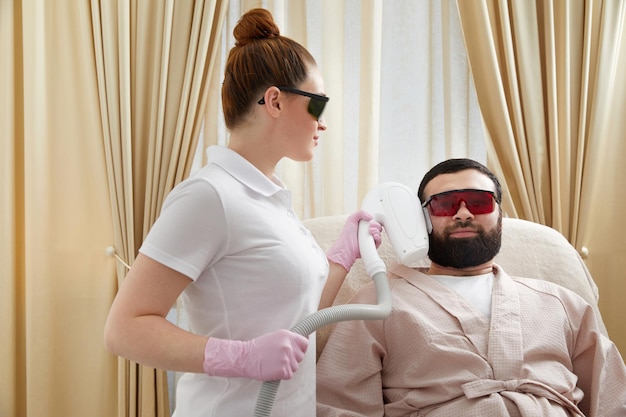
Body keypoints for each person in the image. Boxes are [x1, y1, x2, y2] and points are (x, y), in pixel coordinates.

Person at [103, 8, 381, 417]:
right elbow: (123, 330)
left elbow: (294, 321)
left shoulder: (271, 199)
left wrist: (341, 258)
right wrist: (244, 357)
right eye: (318, 105)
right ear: (274, 101)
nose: (323, 124)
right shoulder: (207, 197)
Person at [316, 158, 626, 416]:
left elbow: (613, 400)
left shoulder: (562, 303)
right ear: (420, 220)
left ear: (500, 216)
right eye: (445, 205)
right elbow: (338, 407)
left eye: (479, 202)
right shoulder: (376, 304)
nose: (463, 213)